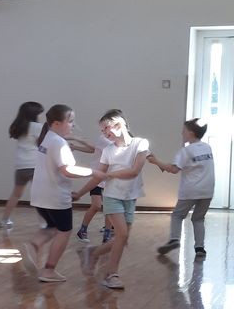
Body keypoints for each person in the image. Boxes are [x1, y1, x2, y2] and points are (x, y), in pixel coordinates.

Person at [75, 110, 149, 290]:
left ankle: (94, 252)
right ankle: (111, 274)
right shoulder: (108, 150)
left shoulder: (140, 143)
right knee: (121, 235)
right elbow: (97, 177)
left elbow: (134, 171)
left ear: (119, 124)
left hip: (130, 197)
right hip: (112, 196)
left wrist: (109, 175)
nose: (104, 133)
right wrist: (80, 192)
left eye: (106, 128)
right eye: (102, 130)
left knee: (123, 238)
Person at [21, 105, 92, 283]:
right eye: (70, 121)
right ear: (56, 123)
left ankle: (32, 245)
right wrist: (94, 173)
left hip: (40, 195)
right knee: (64, 231)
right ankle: (49, 270)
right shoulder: (59, 143)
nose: (73, 125)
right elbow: (67, 170)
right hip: (55, 197)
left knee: (52, 227)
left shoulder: (47, 138)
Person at [150, 119, 214, 257]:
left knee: (177, 215)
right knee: (198, 219)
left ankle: (174, 239)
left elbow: (174, 169)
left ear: (191, 133)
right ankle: (200, 248)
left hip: (191, 190)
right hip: (207, 191)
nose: (181, 133)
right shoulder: (207, 148)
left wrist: (156, 161)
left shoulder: (186, 151)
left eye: (184, 131)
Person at [0, 101, 43, 229]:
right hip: (34, 165)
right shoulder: (37, 127)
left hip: (21, 166)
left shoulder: (20, 127)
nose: (41, 116)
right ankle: (44, 223)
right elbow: (42, 143)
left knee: (16, 194)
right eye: (40, 113)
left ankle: (4, 220)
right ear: (34, 114)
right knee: (39, 196)